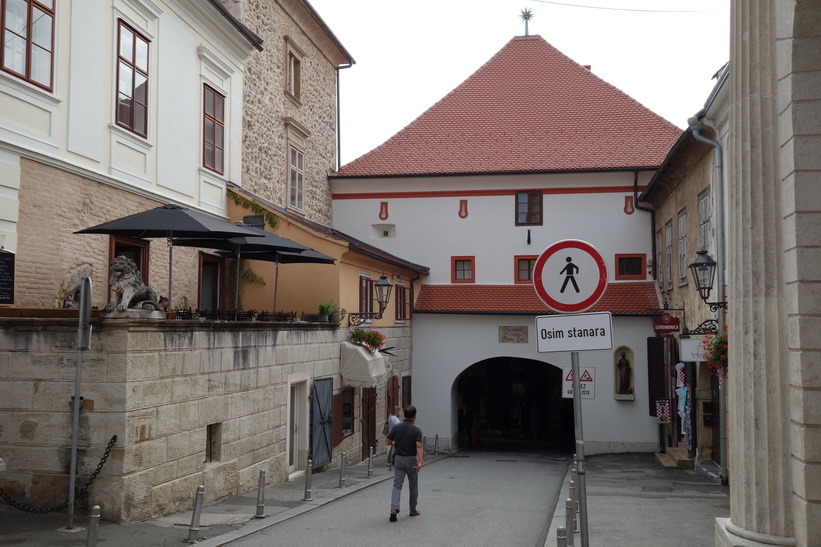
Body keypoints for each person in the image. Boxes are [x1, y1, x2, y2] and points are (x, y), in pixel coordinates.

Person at [386, 405, 424, 522]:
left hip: (398, 459)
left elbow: (388, 441)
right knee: (413, 486)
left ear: (404, 415)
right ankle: (412, 509)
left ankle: (394, 508)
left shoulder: (397, 427)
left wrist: (396, 445)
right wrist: (420, 462)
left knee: (397, 485)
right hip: (411, 459)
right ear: (414, 416)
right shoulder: (417, 430)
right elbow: (419, 446)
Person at [386, 405, 401, 469]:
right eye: (399, 412)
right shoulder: (395, 419)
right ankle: (392, 460)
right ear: (397, 411)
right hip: (395, 434)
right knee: (395, 448)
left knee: (393, 447)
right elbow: (399, 426)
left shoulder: (390, 416)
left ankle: (389, 460)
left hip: (391, 433)